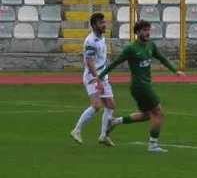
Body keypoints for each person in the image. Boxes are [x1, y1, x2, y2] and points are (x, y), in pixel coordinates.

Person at [100, 20, 185, 153]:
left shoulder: (151, 45)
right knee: (158, 112)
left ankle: (115, 121)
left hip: (144, 85)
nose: (147, 32)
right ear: (138, 32)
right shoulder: (131, 49)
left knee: (146, 115)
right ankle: (153, 145)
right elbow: (115, 63)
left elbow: (161, 58)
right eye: (144, 30)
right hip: (140, 86)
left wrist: (174, 70)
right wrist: (100, 76)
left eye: (148, 30)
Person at [71, 12, 115, 147]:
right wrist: (98, 80)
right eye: (101, 23)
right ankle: (76, 130)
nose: (104, 25)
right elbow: (89, 63)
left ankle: (103, 135)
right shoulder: (90, 41)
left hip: (102, 76)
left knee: (111, 105)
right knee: (96, 105)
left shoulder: (101, 37)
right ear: (94, 25)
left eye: (104, 22)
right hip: (93, 77)